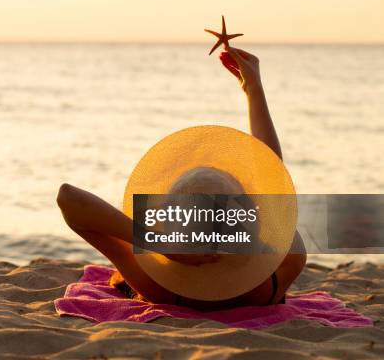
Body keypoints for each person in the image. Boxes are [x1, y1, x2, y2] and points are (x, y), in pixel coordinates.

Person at [56, 47, 306, 310]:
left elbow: (69, 199)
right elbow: (272, 176)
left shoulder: (159, 287)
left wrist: (161, 245)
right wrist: (253, 89)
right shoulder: (282, 268)